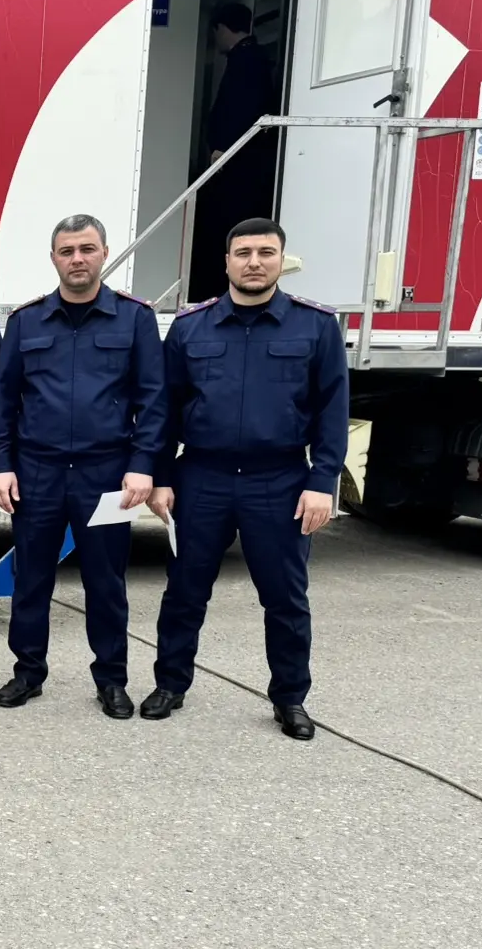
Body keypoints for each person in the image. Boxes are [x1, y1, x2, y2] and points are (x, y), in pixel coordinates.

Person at [143, 218, 348, 740]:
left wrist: (322, 482)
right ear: (227, 261)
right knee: (184, 591)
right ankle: (170, 684)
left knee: (285, 598)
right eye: (243, 253)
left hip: (279, 480)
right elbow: (165, 409)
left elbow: (332, 412)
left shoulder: (316, 326)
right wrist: (161, 476)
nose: (254, 262)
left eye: (265, 252)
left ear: (282, 260)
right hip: (202, 477)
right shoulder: (191, 328)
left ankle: (290, 699)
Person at [0, 214, 168, 718]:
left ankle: (111, 680)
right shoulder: (26, 322)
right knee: (31, 579)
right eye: (67, 251)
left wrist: (143, 466)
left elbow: (154, 401)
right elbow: (2, 403)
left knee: (105, 583)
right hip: (37, 472)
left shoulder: (134, 318)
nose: (77, 259)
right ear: (54, 259)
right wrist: (1, 465)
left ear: (104, 253)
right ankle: (27, 672)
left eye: (87, 249)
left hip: (105, 473)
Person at [191, 2, 279, 303]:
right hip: (241, 165)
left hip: (238, 168)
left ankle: (217, 291)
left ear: (221, 28)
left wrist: (223, 148)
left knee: (225, 226)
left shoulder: (247, 62)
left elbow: (240, 110)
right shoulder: (251, 58)